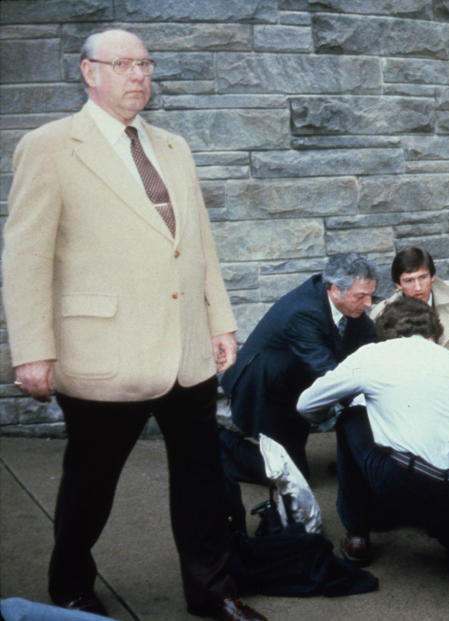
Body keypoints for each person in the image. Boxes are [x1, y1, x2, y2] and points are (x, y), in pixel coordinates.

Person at [1, 29, 266, 621]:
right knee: (90, 484)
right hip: (103, 353)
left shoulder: (173, 146)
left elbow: (199, 245)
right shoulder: (49, 146)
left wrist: (219, 321)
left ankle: (213, 593)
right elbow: (25, 256)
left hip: (187, 351)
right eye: (122, 64)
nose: (138, 75)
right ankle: (70, 583)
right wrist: (33, 350)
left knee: (202, 481)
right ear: (88, 72)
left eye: (144, 63)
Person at [296, 297, 449, 613]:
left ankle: (357, 536)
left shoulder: (371, 355)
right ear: (432, 331)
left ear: (386, 333)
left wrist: (333, 414)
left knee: (349, 416)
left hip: (405, 481)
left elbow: (306, 404)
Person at [221, 253, 377, 478]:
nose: (369, 304)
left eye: (371, 295)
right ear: (334, 289)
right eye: (362, 296)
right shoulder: (304, 312)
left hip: (294, 382)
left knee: (292, 463)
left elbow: (369, 344)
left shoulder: (349, 304)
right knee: (289, 475)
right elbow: (327, 372)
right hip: (262, 387)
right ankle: (218, 444)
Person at [370, 247, 449, 357]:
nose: (418, 287)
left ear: (432, 276)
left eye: (423, 277)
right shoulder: (381, 314)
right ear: (398, 285)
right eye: (409, 280)